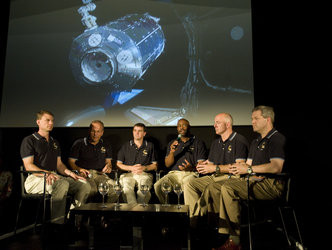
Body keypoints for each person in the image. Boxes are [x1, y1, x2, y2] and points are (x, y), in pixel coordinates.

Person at [210, 106, 286, 250]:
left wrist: (249, 169)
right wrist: (237, 167)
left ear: (267, 119)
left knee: (228, 188)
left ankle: (234, 241)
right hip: (253, 180)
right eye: (251, 119)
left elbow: (276, 167)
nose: (252, 122)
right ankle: (221, 232)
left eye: (256, 118)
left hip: (271, 184)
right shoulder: (256, 141)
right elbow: (247, 165)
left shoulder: (276, 138)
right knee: (217, 184)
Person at [20, 110, 91, 224]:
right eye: (47, 120)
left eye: (52, 121)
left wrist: (71, 173)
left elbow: (59, 165)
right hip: (35, 178)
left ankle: (73, 220)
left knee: (84, 185)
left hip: (54, 176)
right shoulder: (29, 140)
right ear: (38, 122)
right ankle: (57, 225)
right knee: (62, 184)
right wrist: (47, 173)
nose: (51, 123)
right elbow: (28, 166)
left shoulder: (54, 142)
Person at [183, 113, 249, 223]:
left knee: (211, 187)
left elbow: (239, 167)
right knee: (189, 184)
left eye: (218, 122)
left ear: (228, 124)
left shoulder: (239, 140)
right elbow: (210, 163)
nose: (214, 125)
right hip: (216, 176)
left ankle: (205, 218)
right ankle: (193, 222)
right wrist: (202, 165)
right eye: (214, 123)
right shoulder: (216, 143)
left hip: (233, 178)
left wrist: (215, 168)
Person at [154, 118, 207, 204]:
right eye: (179, 126)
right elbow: (167, 164)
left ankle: (191, 214)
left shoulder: (198, 143)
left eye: (184, 125)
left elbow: (201, 165)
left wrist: (192, 167)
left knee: (188, 186)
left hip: (190, 174)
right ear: (177, 129)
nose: (181, 128)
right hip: (174, 174)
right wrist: (171, 152)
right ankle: (167, 209)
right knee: (158, 186)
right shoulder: (173, 143)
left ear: (189, 127)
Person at [68, 120, 117, 202]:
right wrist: (79, 169)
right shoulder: (79, 143)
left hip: (100, 174)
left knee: (115, 189)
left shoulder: (106, 144)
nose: (95, 134)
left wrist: (108, 167)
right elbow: (71, 162)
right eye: (93, 131)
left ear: (102, 132)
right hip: (85, 174)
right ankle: (79, 213)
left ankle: (104, 213)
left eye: (98, 131)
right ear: (89, 131)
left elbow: (109, 163)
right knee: (91, 190)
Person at [117, 123, 157, 205]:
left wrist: (143, 168)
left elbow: (154, 165)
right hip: (128, 174)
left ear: (144, 133)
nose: (136, 133)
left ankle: (137, 211)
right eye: (135, 130)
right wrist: (131, 168)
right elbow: (119, 164)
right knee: (127, 189)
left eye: (139, 131)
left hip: (144, 174)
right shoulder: (126, 146)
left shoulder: (150, 146)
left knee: (143, 190)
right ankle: (135, 210)